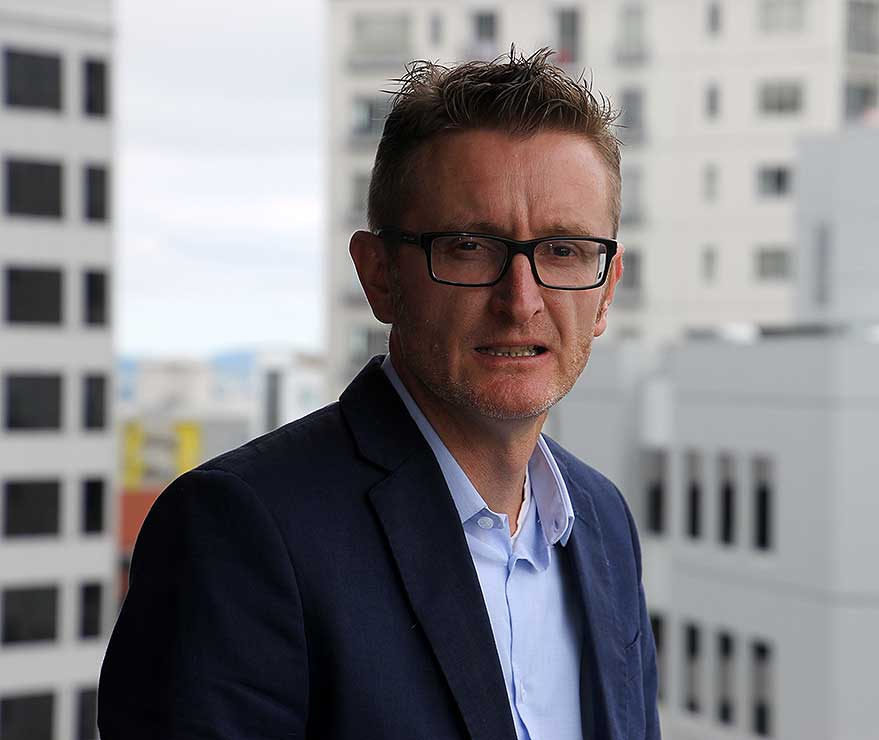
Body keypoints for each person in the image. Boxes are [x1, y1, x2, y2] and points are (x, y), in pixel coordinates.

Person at [98, 49, 660, 740]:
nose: (521, 301)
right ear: (379, 276)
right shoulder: (238, 532)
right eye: (469, 247)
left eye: (564, 250)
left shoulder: (603, 521)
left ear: (606, 290)